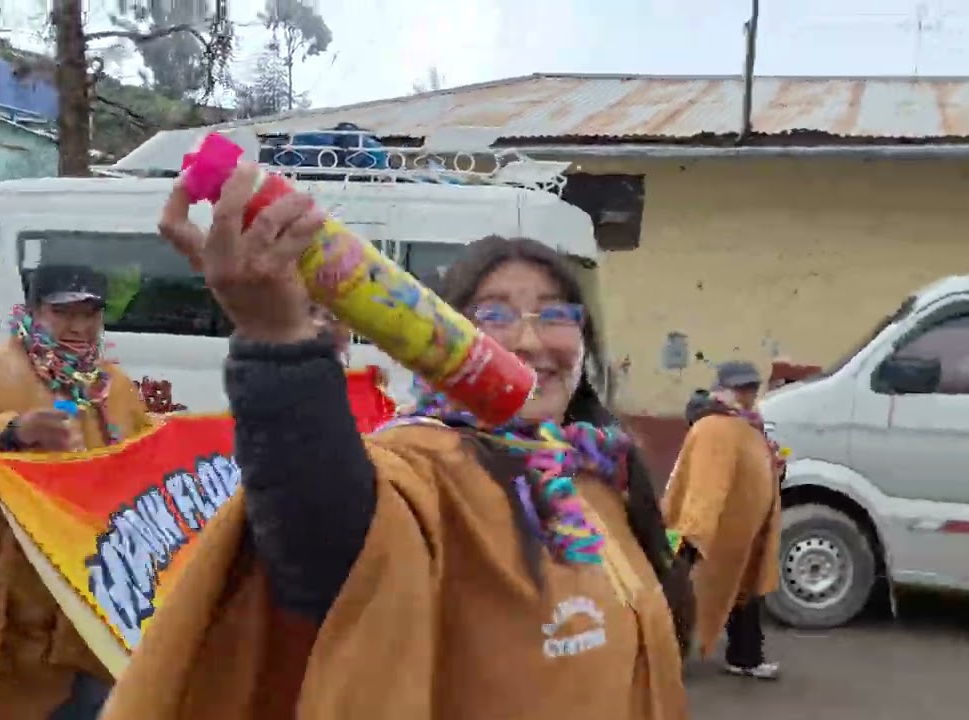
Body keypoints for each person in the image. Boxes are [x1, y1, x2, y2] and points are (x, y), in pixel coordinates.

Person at [98, 169, 693, 719]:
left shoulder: (595, 470)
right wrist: (275, 339)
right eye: (496, 315)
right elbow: (323, 545)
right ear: (442, 342)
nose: (531, 341)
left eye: (556, 314)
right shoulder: (425, 468)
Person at [0, 264, 153, 720]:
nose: (79, 326)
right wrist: (9, 433)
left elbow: (146, 459)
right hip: (20, 604)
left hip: (100, 597)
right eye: (63, 312)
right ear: (33, 312)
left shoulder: (112, 386)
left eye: (90, 313)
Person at [663, 361, 782, 679]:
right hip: (704, 531)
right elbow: (705, 482)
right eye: (740, 388)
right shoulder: (716, 427)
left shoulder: (746, 424)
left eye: (752, 388)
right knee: (683, 594)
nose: (747, 395)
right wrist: (694, 533)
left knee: (744, 595)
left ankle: (746, 657)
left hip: (739, 533)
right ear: (721, 390)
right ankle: (665, 660)